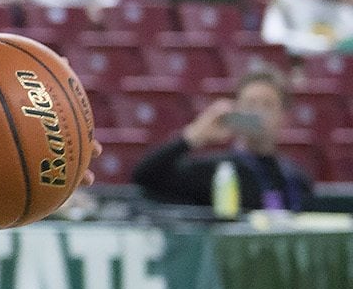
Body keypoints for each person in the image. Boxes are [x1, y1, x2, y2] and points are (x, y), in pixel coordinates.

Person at [133, 70, 311, 213]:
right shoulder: (216, 170)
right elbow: (145, 176)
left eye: (267, 105)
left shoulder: (294, 176)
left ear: (284, 116)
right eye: (250, 104)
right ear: (237, 111)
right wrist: (194, 136)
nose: (258, 113)